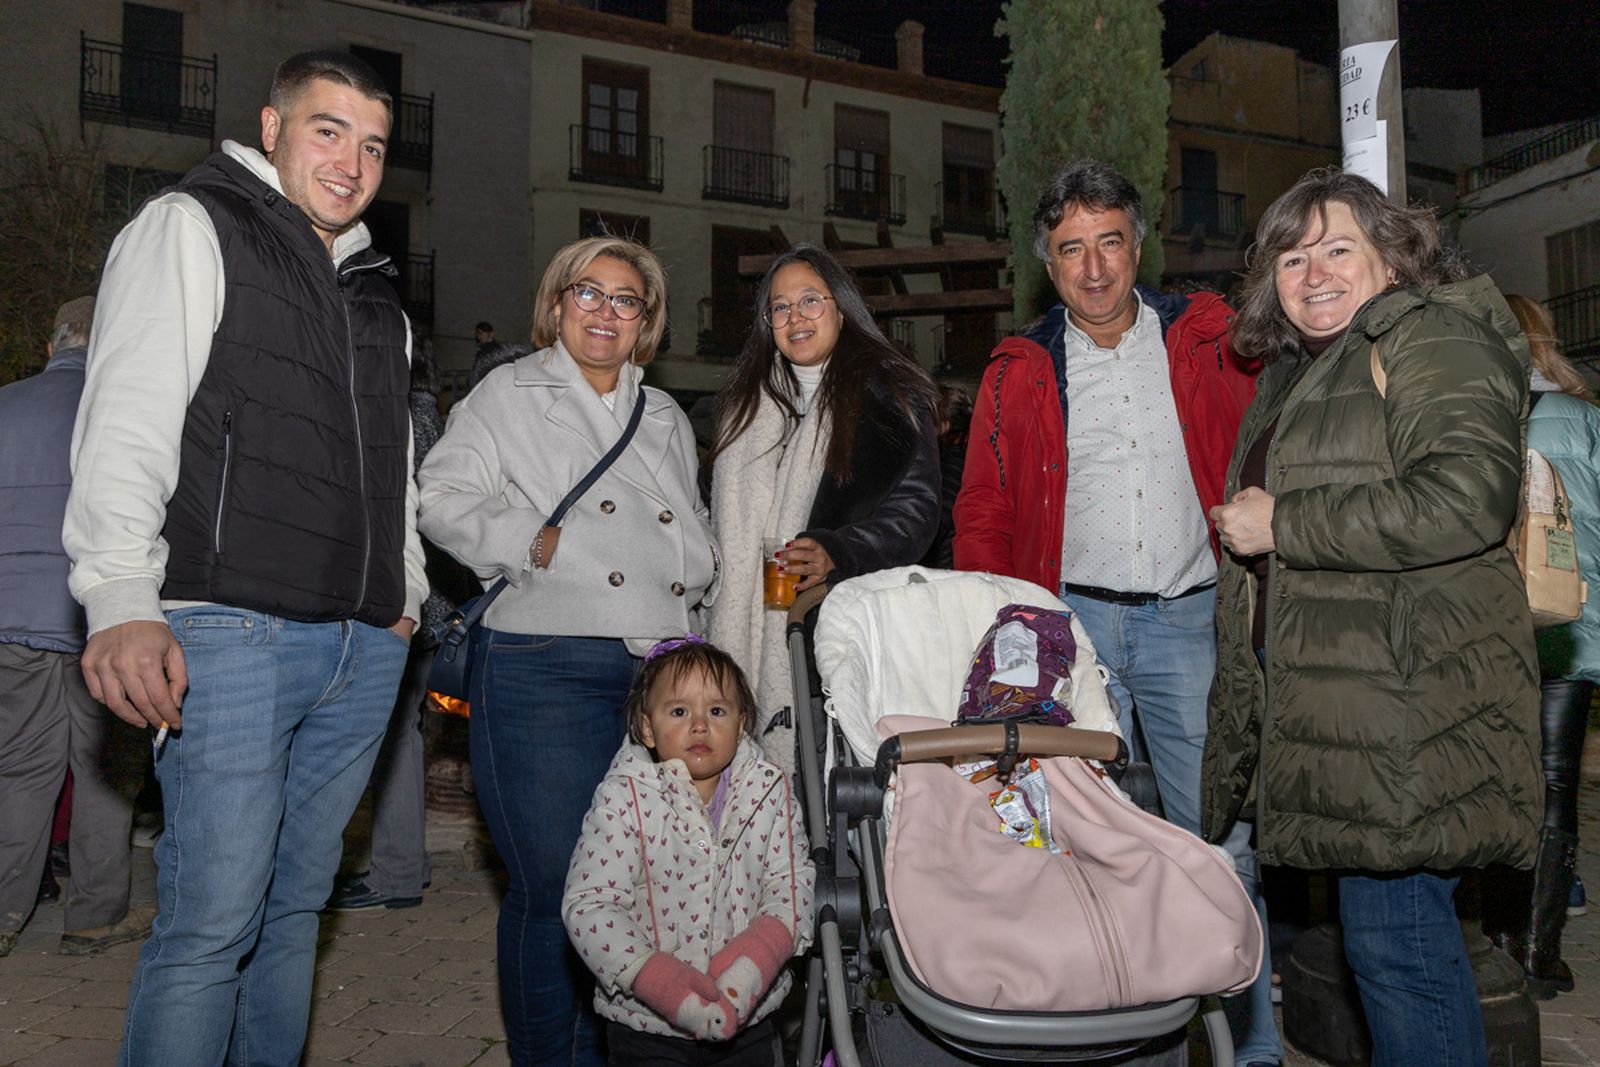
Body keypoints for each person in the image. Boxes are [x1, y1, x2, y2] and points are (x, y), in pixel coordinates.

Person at [63, 51, 427, 1065]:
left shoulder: (375, 295)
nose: (351, 161)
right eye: (327, 130)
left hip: (359, 645)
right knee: (212, 922)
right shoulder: (192, 226)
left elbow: (397, 462)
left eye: (372, 144)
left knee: (292, 913)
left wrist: (404, 598)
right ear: (270, 127)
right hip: (229, 630)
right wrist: (122, 594)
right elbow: (126, 420)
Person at [1204, 168, 1542, 1067]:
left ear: (1393, 257)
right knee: (1392, 947)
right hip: (1354, 707)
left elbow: (1468, 497)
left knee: (1400, 948)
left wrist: (1284, 522)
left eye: (1338, 248)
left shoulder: (1433, 336)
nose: (1313, 271)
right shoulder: (1302, 371)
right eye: (1292, 256)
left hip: (1410, 705)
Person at [951, 159, 1274, 1064]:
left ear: (1139, 245)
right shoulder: (1017, 370)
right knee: (1073, 844)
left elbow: (1272, 433)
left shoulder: (1207, 341)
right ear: (1047, 266)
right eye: (1070, 251)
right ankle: (1121, 1039)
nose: (1093, 269)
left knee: (1221, 840)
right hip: (1070, 633)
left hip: (1188, 623)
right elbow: (980, 505)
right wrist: (1001, 619)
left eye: (1109, 244)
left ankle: (1251, 1050)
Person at [418, 235, 719, 1066]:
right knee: (552, 889)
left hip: (654, 671)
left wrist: (702, 581)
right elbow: (441, 495)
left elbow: (685, 523)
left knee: (629, 894)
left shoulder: (660, 415)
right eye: (589, 292)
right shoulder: (508, 393)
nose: (605, 312)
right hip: (543, 662)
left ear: (645, 324)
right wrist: (527, 542)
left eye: (626, 300)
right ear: (557, 304)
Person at [706, 244, 940, 773]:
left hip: (842, 633)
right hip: (746, 629)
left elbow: (918, 512)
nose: (796, 317)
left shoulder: (890, 396)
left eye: (811, 300)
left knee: (836, 798)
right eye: (781, 307)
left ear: (842, 307)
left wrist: (840, 550)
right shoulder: (743, 408)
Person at [562, 636, 814, 1067]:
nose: (700, 725)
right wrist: (660, 982)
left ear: (743, 723)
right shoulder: (625, 799)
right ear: (646, 727)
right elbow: (589, 905)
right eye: (679, 711)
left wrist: (747, 971)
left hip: (749, 1020)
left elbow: (792, 889)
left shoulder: (769, 792)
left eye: (716, 711)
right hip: (647, 1026)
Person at [0, 297, 148, 959]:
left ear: (52, 344)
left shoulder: (6, 404)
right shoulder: (124, 412)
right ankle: (93, 916)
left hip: (9, 618)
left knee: (21, 771)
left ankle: (5, 910)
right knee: (105, 775)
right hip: (99, 620)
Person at [1481, 293, 1600, 998]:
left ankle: (1493, 933)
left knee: (1494, 777)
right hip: (1569, 626)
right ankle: (1536, 946)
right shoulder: (1586, 422)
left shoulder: (1476, 418)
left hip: (1485, 628)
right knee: (1554, 781)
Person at [329, 345, 451, 912]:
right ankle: (405, 864)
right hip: (432, 605)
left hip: (408, 606)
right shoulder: (439, 421)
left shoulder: (402, 418)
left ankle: (397, 872)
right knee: (405, 735)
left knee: (397, 738)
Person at [919, 383, 972, 569]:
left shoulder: (952, 467)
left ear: (944, 426)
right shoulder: (961, 456)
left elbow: (933, 526)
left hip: (941, 570)